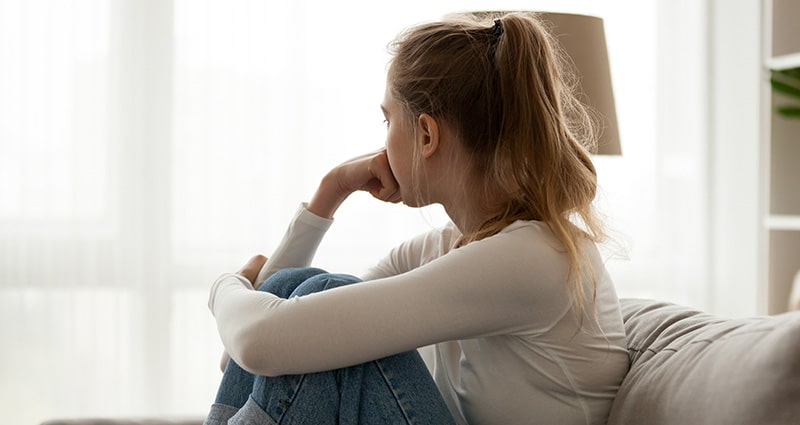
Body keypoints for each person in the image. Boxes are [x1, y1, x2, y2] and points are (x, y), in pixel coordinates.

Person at [204, 11, 629, 425]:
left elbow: (258, 341)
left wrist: (226, 287)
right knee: (302, 290)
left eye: (388, 119)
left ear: (427, 135)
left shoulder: (532, 258)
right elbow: (251, 351)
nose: (382, 141)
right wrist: (330, 191)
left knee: (324, 291)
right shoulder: (449, 247)